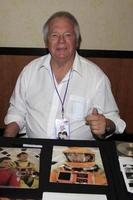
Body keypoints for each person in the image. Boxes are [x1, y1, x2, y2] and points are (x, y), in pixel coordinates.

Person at [4, 11, 126, 140]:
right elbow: (16, 113)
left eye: (68, 35)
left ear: (77, 41)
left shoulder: (96, 77)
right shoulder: (30, 71)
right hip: (35, 151)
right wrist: (6, 144)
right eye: (54, 35)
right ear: (46, 41)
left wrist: (106, 125)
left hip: (78, 155)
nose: (61, 41)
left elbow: (114, 121)